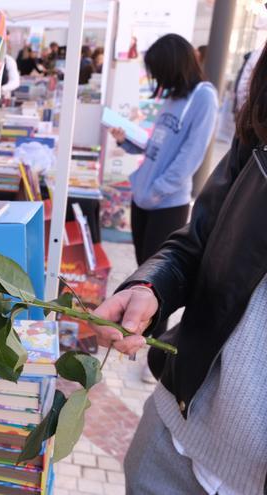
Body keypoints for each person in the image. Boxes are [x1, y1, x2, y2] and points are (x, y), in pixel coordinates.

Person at [93, 43, 267, 495]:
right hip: (175, 434)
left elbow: (186, 160)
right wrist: (149, 286)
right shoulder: (259, 130)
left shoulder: (203, 97)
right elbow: (198, 241)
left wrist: (159, 189)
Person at [108, 33, 218, 340]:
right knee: (144, 272)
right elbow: (155, 146)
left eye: (158, 69)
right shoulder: (174, 97)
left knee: (158, 283)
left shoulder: (203, 97)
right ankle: (140, 337)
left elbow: (190, 155)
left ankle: (155, 346)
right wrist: (125, 139)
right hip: (144, 198)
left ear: (173, 64)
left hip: (167, 202)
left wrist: (158, 188)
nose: (156, 77)